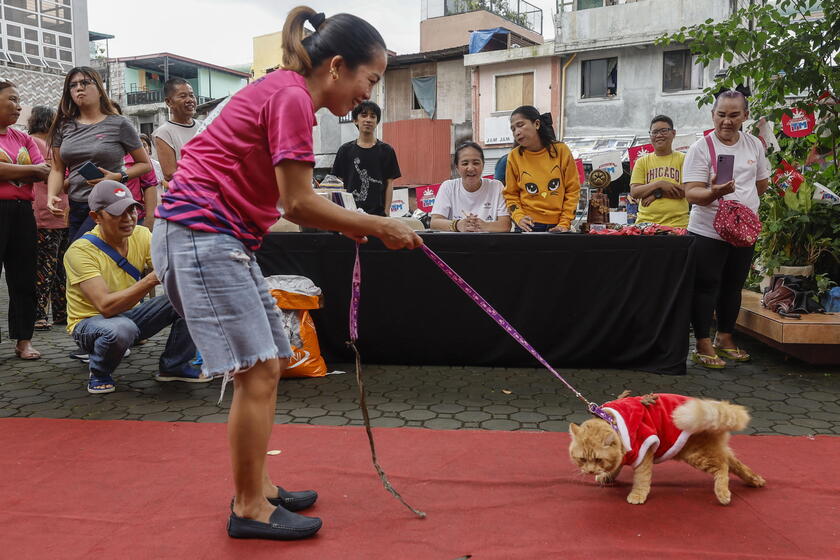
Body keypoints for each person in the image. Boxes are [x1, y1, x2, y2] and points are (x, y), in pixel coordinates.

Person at [153, 7, 421, 540]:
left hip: (216, 236)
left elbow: (295, 199)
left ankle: (260, 486)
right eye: (369, 80)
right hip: (200, 234)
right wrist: (376, 223)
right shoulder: (293, 97)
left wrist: (353, 223)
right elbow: (296, 204)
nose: (367, 96)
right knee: (257, 370)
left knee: (271, 362)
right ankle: (249, 506)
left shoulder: (285, 92)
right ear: (338, 66)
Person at [64, 180, 210, 394]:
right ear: (96, 217)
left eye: (132, 210)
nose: (129, 218)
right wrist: (151, 279)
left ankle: (175, 366)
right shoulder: (80, 251)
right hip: (89, 324)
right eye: (118, 213)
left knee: (191, 296)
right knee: (121, 329)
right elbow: (105, 307)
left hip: (128, 315)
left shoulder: (141, 234)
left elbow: (173, 268)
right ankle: (99, 371)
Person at [683, 90, 770, 369]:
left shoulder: (754, 144)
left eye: (734, 115)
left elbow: (761, 184)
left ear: (745, 116)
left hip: (743, 232)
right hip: (707, 231)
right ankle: (703, 342)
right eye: (721, 115)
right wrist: (713, 192)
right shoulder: (701, 148)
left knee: (734, 286)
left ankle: (726, 337)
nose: (727, 121)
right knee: (706, 286)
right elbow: (691, 194)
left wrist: (740, 209)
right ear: (713, 115)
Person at [45, 67, 151, 243]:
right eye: (73, 85)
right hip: (77, 204)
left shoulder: (119, 124)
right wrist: (51, 195)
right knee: (79, 257)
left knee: (82, 251)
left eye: (85, 82)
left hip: (110, 204)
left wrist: (118, 176)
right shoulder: (63, 126)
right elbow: (57, 169)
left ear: (100, 89)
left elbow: (144, 164)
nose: (79, 88)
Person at [0, 81, 50, 360]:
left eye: (19, 101)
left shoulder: (23, 139)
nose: (19, 106)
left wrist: (14, 171)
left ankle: (24, 340)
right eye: (12, 99)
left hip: (22, 212)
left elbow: (43, 170)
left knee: (23, 277)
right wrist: (28, 170)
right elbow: (34, 168)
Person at [504, 106, 580, 232]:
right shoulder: (514, 156)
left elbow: (572, 190)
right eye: (513, 129)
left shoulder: (561, 150)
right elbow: (510, 194)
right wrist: (519, 217)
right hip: (527, 226)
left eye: (520, 125)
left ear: (537, 124)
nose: (517, 132)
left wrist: (564, 223)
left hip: (558, 226)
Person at [29, 105, 69, 331]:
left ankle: (62, 312)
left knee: (60, 267)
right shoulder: (33, 143)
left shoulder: (55, 146)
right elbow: (46, 176)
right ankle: (38, 314)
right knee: (45, 268)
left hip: (61, 213)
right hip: (45, 214)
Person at [331, 100, 401, 216]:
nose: (368, 119)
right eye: (364, 115)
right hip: (350, 215)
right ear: (355, 120)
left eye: (372, 116)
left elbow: (389, 183)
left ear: (377, 121)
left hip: (378, 216)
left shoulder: (387, 151)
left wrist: (387, 212)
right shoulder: (345, 150)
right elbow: (339, 183)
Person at [430, 142, 511, 232]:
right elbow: (434, 223)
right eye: (465, 164)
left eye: (476, 163)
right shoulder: (448, 187)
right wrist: (457, 225)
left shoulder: (496, 186)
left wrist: (484, 225)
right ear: (457, 167)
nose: (471, 168)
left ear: (483, 165)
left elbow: (506, 225)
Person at [629, 115, 689, 227]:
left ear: (673, 133)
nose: (659, 135)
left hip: (678, 225)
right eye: (655, 132)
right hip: (645, 224)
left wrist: (656, 194)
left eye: (664, 131)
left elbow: (686, 191)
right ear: (650, 135)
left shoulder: (684, 159)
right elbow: (635, 192)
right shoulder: (641, 162)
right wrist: (659, 184)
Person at [153, 77, 199, 185]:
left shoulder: (204, 126)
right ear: (169, 102)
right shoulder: (163, 133)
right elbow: (170, 174)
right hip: (189, 194)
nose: (190, 100)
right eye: (183, 96)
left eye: (191, 95)